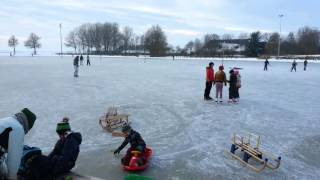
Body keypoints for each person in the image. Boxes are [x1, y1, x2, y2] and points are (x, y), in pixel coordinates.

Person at [17, 117, 82, 180]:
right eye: (59, 135)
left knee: (37, 161)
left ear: (65, 132)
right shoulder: (62, 141)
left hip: (65, 165)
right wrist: (47, 161)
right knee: (36, 160)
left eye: (61, 134)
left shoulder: (71, 140)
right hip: (57, 162)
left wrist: (51, 170)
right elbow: (54, 152)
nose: (60, 137)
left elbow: (65, 159)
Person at [0, 108, 37, 179]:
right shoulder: (18, 129)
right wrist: (12, 177)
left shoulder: (7, 121)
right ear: (28, 125)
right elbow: (14, 159)